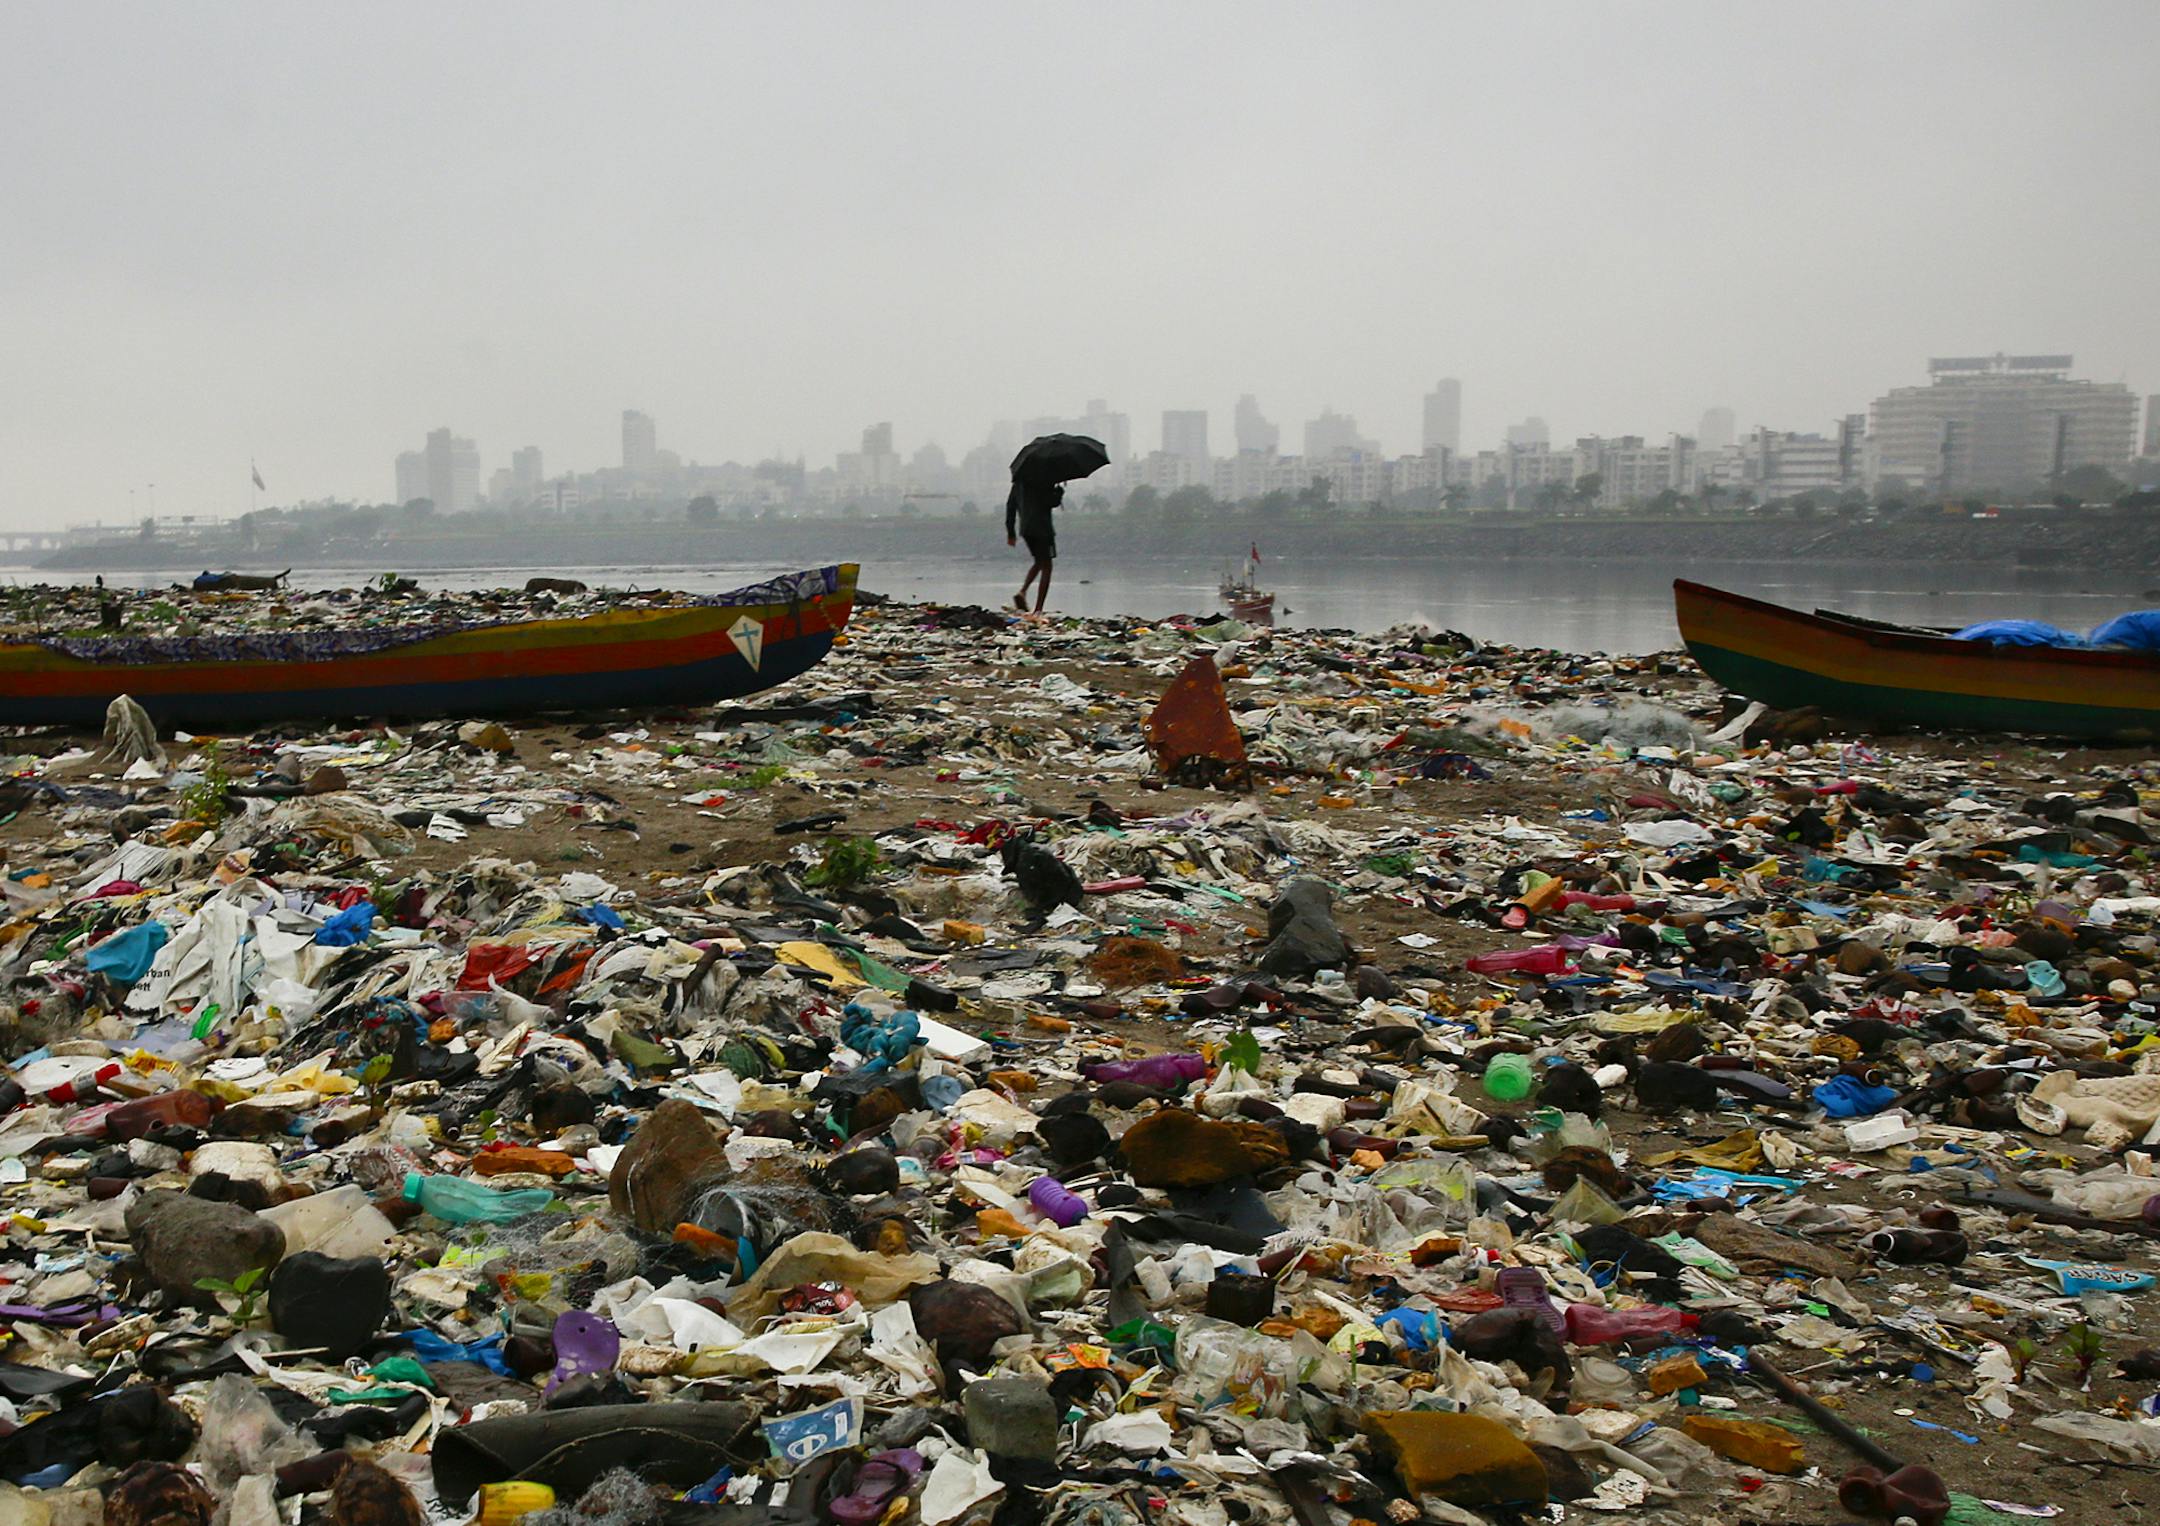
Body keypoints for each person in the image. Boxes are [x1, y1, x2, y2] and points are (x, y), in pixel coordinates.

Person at [1006, 476, 1064, 612]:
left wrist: (1011, 533)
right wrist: (1059, 493)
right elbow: (1050, 502)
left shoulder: (1018, 483)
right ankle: (1038, 609)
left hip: (1026, 529)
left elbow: (1010, 506)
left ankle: (1023, 591)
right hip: (1043, 529)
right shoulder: (1043, 479)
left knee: (1039, 562)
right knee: (1047, 566)